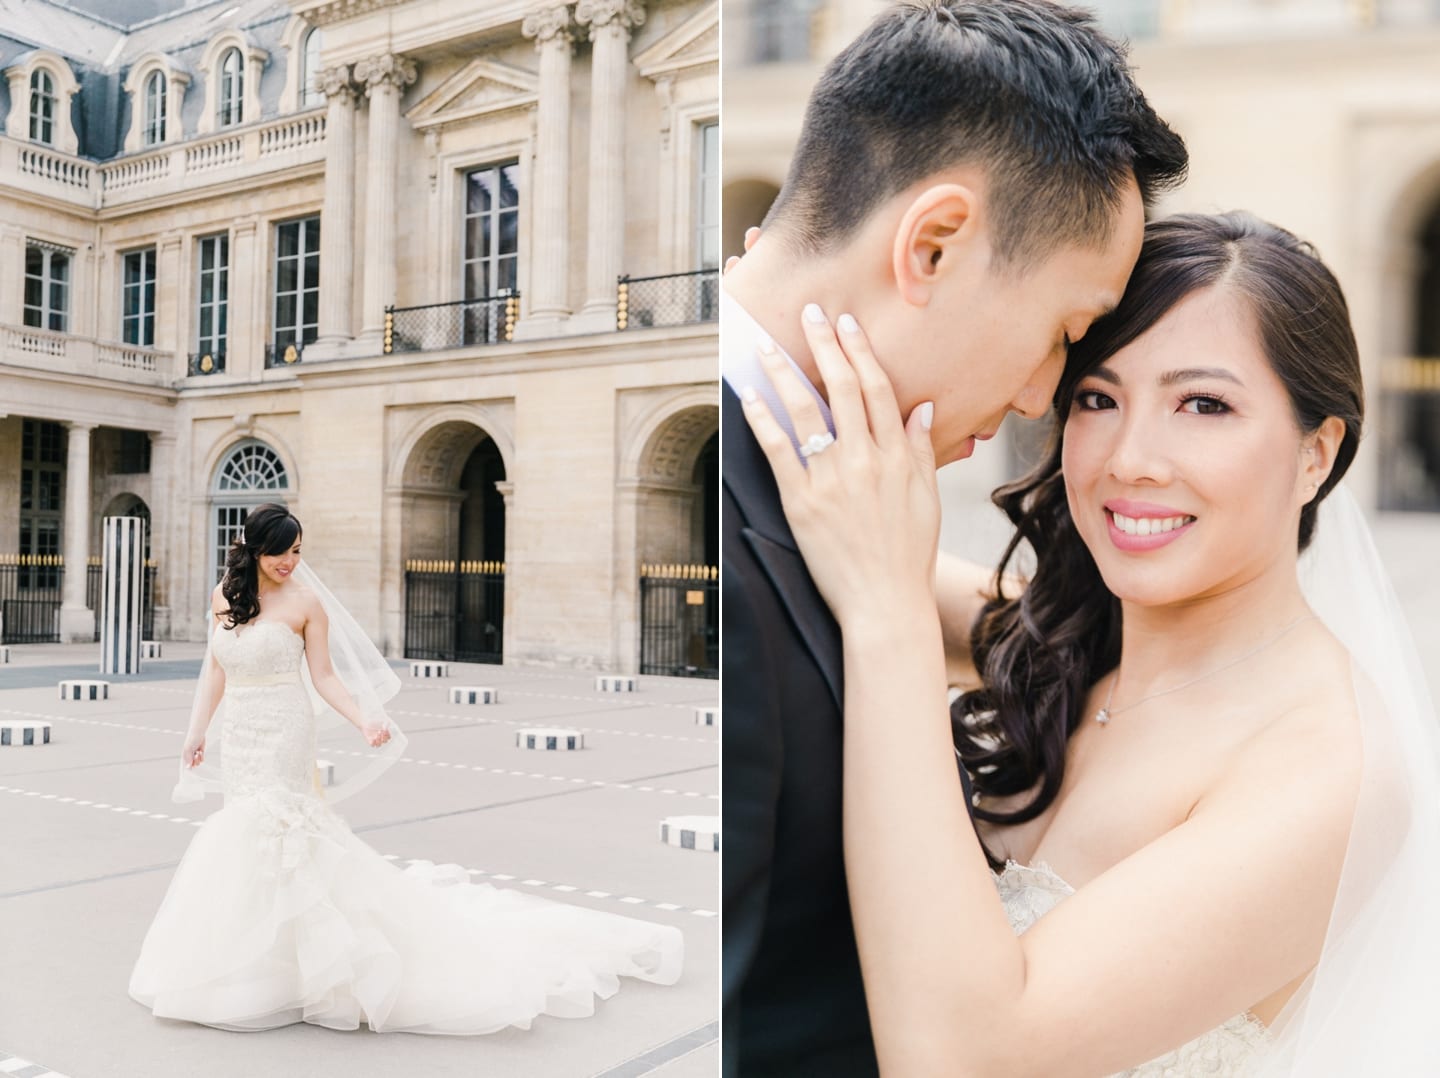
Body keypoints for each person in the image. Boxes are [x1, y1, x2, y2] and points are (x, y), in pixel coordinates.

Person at [738, 212, 1440, 1074]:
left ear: (1315, 455)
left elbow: (969, 1060)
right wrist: (770, 314)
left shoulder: (1333, 770)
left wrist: (890, 629)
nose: (1130, 459)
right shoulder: (1063, 639)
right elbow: (858, 534)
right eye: (1098, 400)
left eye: (1204, 404)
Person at [721, 1, 1186, 1073]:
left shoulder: (841, 503)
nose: (1044, 393)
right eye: (1068, 333)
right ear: (932, 245)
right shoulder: (738, 546)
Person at [129, 503, 683, 1033]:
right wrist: (197, 730)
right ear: (254, 550)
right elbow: (215, 669)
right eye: (281, 552)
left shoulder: (306, 604)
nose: (291, 562)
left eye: (297, 551)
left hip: (284, 729)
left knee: (281, 830)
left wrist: (365, 718)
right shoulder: (224, 596)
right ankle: (258, 966)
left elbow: (323, 677)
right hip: (242, 732)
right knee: (244, 835)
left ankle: (310, 969)